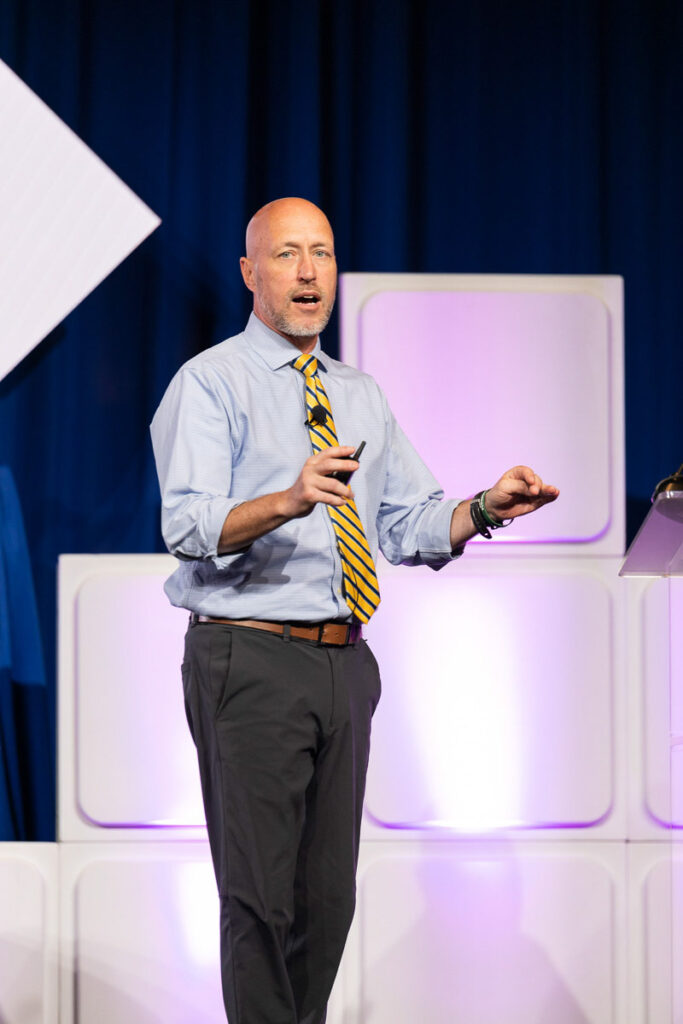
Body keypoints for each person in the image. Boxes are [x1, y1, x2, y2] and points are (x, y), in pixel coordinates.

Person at [150, 197, 559, 1024]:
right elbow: (186, 525)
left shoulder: (357, 394)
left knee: (324, 904)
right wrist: (286, 499)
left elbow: (408, 522)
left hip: (344, 662)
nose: (307, 273)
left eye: (323, 254)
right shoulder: (210, 383)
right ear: (250, 273)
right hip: (249, 655)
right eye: (288, 255)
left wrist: (484, 507)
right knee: (260, 903)